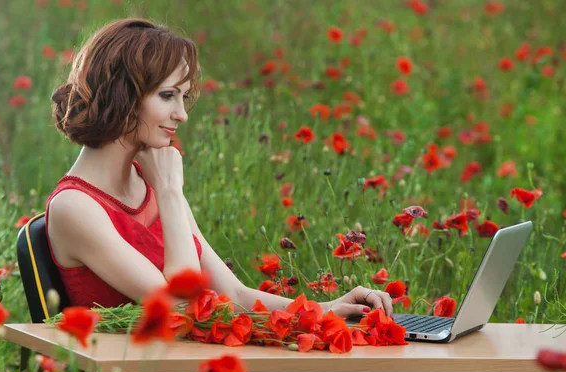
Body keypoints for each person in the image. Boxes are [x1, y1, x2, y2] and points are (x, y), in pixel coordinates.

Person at [45, 17, 393, 319]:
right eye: (167, 96)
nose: (182, 114)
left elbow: (235, 295)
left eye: (183, 97)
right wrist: (169, 193)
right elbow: (180, 307)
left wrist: (328, 308)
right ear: (122, 94)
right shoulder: (75, 207)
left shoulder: (150, 183)